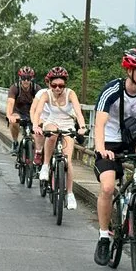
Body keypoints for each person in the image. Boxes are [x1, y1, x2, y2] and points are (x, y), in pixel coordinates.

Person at [93, 48, 136, 266]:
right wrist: (101, 149)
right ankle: (104, 236)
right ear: (129, 71)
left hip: (132, 137)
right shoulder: (112, 90)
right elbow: (99, 124)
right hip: (109, 141)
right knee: (107, 187)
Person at [32, 67, 86, 210]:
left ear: (65, 85)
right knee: (52, 133)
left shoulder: (70, 94)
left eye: (61, 85)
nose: (57, 88)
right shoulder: (46, 95)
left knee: (68, 161)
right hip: (52, 121)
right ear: (49, 84)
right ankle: (45, 166)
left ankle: (70, 194)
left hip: (68, 124)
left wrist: (82, 127)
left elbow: (78, 112)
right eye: (54, 85)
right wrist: (36, 126)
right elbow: (38, 112)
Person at [6, 66, 41, 155]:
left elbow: (41, 105)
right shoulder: (15, 88)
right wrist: (9, 116)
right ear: (20, 78)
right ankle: (15, 143)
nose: (26, 81)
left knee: (38, 134)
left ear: (31, 79)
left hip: (31, 113)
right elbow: (10, 103)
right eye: (23, 78)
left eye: (28, 78)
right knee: (14, 122)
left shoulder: (36, 88)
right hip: (18, 112)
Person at [28, 73, 51, 165]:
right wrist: (35, 123)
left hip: (57, 121)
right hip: (43, 119)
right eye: (51, 83)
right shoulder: (41, 93)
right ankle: (38, 152)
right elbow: (33, 110)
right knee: (39, 129)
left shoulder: (65, 94)